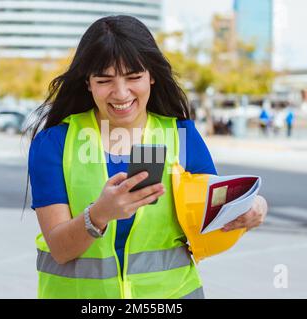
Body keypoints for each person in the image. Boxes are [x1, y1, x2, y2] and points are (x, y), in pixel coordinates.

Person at [26, 15, 268, 299]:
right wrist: (100, 214)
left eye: (133, 77)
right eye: (104, 80)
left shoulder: (181, 136)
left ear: (151, 75)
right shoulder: (54, 143)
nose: (121, 93)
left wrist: (254, 206)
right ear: (88, 83)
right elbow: (60, 249)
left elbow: (213, 210)